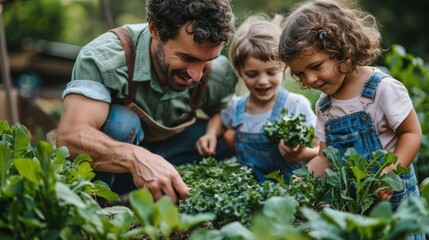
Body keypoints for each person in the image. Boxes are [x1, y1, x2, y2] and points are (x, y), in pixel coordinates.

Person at [56, 0, 237, 204]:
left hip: (169, 158)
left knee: (227, 136)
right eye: (186, 58)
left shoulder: (219, 74)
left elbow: (231, 119)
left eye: (206, 61)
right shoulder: (105, 58)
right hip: (108, 171)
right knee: (122, 122)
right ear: (155, 29)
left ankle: (164, 197)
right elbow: (70, 138)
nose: (196, 76)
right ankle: (97, 206)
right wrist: (135, 158)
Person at [279, 0, 423, 238]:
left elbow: (411, 134)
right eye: (301, 73)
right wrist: (304, 179)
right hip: (354, 209)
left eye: (316, 66)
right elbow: (326, 156)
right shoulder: (325, 105)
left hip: (395, 206)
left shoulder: (382, 89)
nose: (310, 79)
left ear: (342, 48)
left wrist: (391, 173)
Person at [196, 14, 319, 183]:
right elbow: (221, 119)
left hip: (289, 189)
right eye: (252, 74)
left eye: (271, 72)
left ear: (284, 67)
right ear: (240, 72)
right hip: (248, 189)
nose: (262, 81)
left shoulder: (296, 105)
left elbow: (319, 149)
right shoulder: (238, 106)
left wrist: (304, 154)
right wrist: (210, 134)